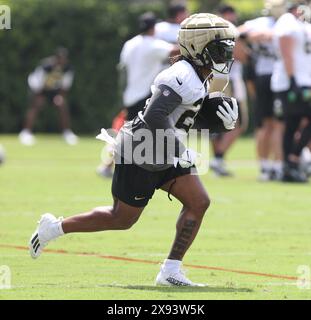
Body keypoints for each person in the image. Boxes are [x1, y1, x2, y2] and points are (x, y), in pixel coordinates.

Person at [29, 13, 238, 286]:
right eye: (219, 50)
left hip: (164, 148)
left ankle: (170, 271)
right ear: (199, 47)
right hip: (142, 149)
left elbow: (182, 115)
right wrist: (179, 148)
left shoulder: (200, 75)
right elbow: (155, 115)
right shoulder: (181, 73)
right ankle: (53, 228)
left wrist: (216, 120)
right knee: (122, 218)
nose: (224, 56)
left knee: (199, 202)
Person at [97, 12, 178, 177]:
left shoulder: (130, 43)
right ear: (154, 27)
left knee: (130, 133)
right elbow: (176, 51)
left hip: (130, 95)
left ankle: (109, 165)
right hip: (144, 95)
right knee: (142, 134)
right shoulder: (154, 44)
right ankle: (111, 165)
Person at [239, 0, 284, 181]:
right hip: (271, 77)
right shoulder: (264, 24)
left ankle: (270, 166)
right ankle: (271, 166)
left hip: (268, 78)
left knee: (270, 125)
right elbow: (236, 33)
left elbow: (236, 33)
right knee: (272, 125)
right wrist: (248, 50)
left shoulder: (266, 24)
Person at [271, 1, 311, 182]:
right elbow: (285, 48)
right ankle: (290, 163)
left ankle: (291, 163)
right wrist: (292, 78)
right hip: (290, 82)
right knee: (291, 124)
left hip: (302, 80)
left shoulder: (301, 23)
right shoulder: (287, 20)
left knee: (293, 124)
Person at [209, 5, 249, 176]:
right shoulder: (231, 30)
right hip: (229, 80)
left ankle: (218, 160)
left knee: (218, 126)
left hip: (212, 79)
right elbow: (242, 56)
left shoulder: (210, 30)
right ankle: (217, 158)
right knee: (238, 123)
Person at [19, 48, 78, 146]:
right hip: (39, 89)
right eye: (59, 59)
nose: (61, 61)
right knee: (36, 105)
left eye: (63, 59)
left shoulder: (68, 68)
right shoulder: (45, 66)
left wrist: (59, 96)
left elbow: (65, 87)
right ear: (56, 58)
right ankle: (25, 132)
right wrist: (39, 95)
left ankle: (67, 133)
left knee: (62, 104)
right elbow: (36, 82)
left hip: (54, 90)